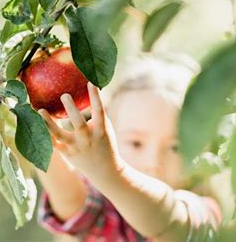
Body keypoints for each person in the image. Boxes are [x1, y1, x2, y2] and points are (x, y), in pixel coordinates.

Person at [36, 54, 223, 241]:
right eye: (136, 143)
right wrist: (37, 124)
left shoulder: (204, 211)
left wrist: (110, 172)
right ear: (110, 134)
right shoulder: (103, 209)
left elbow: (166, 220)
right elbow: (71, 199)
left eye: (176, 148)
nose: (153, 163)